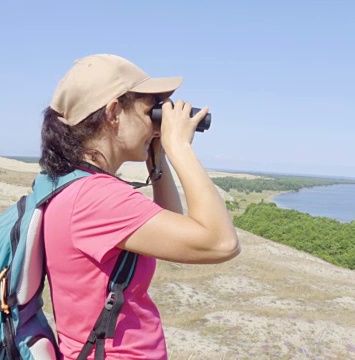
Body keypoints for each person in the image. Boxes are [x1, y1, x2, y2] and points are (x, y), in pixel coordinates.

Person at [39, 53, 240, 360]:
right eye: (151, 111)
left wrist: (158, 156)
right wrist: (180, 147)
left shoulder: (75, 186)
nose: (156, 122)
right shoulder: (97, 199)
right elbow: (221, 243)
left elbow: (174, 229)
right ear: (113, 112)